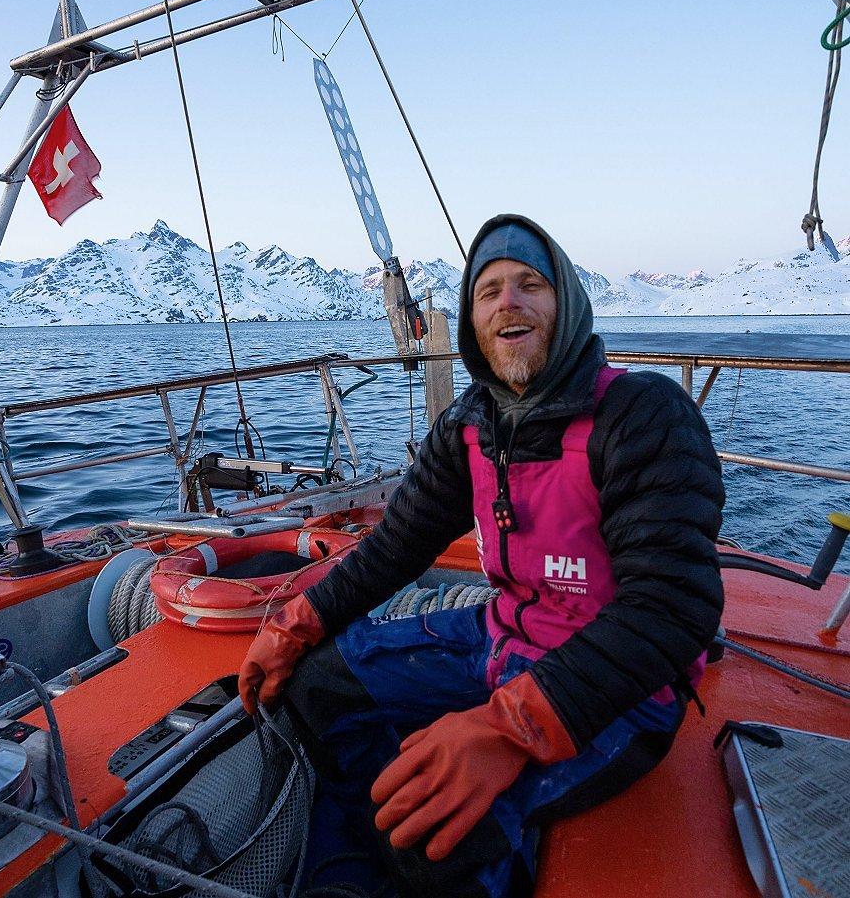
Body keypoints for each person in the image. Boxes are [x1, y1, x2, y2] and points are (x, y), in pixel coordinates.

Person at [239, 215, 726, 897]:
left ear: (566, 302)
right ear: (472, 321)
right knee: (319, 685)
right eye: (488, 291)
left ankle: (446, 852)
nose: (509, 302)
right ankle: (365, 850)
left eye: (531, 284)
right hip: (499, 639)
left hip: (617, 688)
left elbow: (672, 608)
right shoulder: (469, 426)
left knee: (442, 844)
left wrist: (507, 729)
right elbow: (396, 546)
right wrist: (298, 621)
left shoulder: (643, 414)